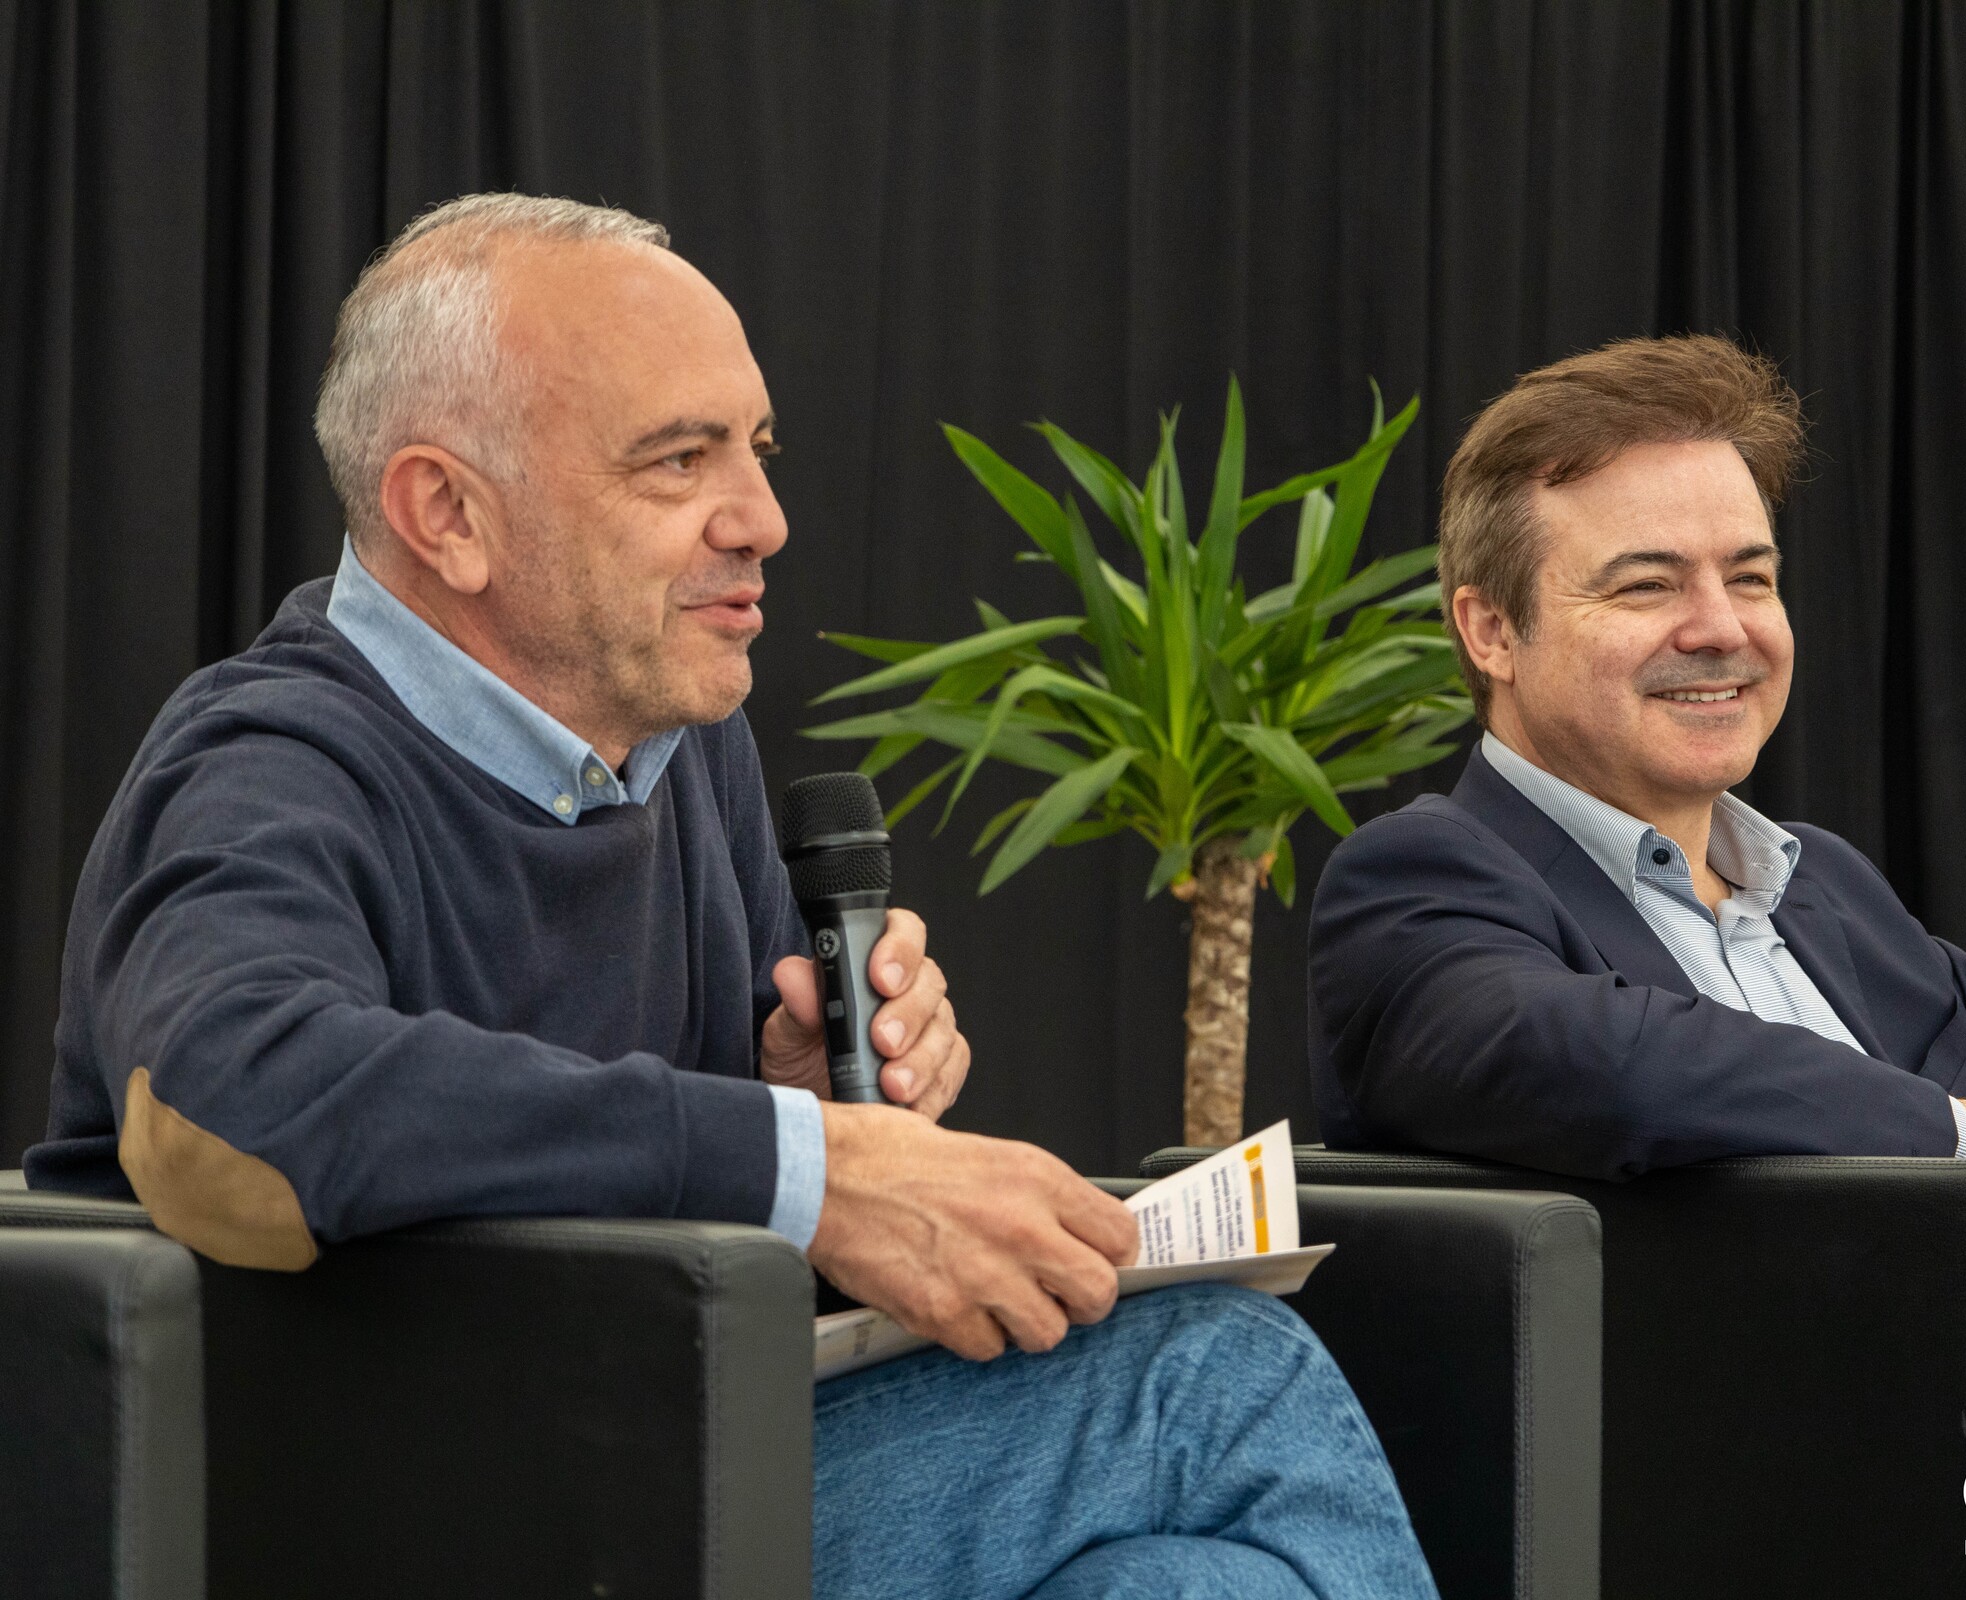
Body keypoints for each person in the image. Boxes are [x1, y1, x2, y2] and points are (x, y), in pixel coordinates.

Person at [28, 193, 1435, 1600]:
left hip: (646, 1451)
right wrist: (806, 1170)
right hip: (398, 1515)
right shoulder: (269, 763)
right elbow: (227, 1093)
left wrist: (802, 1089)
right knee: (1210, 1382)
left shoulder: (681, 753)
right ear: (446, 513)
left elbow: (645, 1192)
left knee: (1182, 1586)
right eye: (677, 461)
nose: (763, 518)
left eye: (755, 451)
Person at [1308, 333, 1966, 1599]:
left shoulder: (1813, 883)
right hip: (1836, 1512)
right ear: (1491, 628)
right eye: (1649, 585)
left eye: (1752, 577)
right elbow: (1591, 1056)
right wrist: (1943, 1133)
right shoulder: (1422, 879)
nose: (1721, 630)